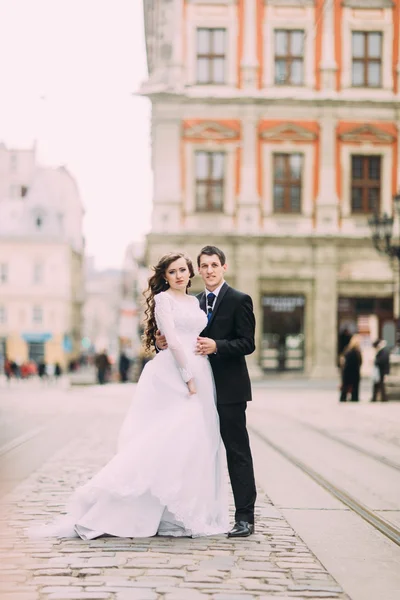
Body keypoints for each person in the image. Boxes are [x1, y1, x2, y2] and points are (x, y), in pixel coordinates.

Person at [30, 252, 228, 540]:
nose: (179, 275)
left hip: (201, 369)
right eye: (172, 272)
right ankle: (130, 506)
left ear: (190, 273)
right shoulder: (164, 300)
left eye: (183, 270)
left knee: (194, 442)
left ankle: (178, 512)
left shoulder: (194, 301)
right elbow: (172, 339)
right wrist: (188, 376)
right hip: (177, 374)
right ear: (165, 276)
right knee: (169, 437)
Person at [156, 245, 257, 538]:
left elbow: (248, 343)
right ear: (197, 271)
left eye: (215, 265)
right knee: (197, 450)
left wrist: (219, 346)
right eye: (204, 266)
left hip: (229, 388)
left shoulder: (240, 300)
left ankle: (244, 517)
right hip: (196, 390)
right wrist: (163, 341)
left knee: (237, 451)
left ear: (224, 267)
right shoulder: (191, 302)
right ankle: (196, 511)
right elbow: (177, 335)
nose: (210, 270)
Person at [339, 334, 362, 402]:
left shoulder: (350, 350)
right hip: (350, 371)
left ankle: (352, 397)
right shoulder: (352, 351)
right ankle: (349, 397)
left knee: (349, 386)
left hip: (351, 371)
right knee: (348, 385)